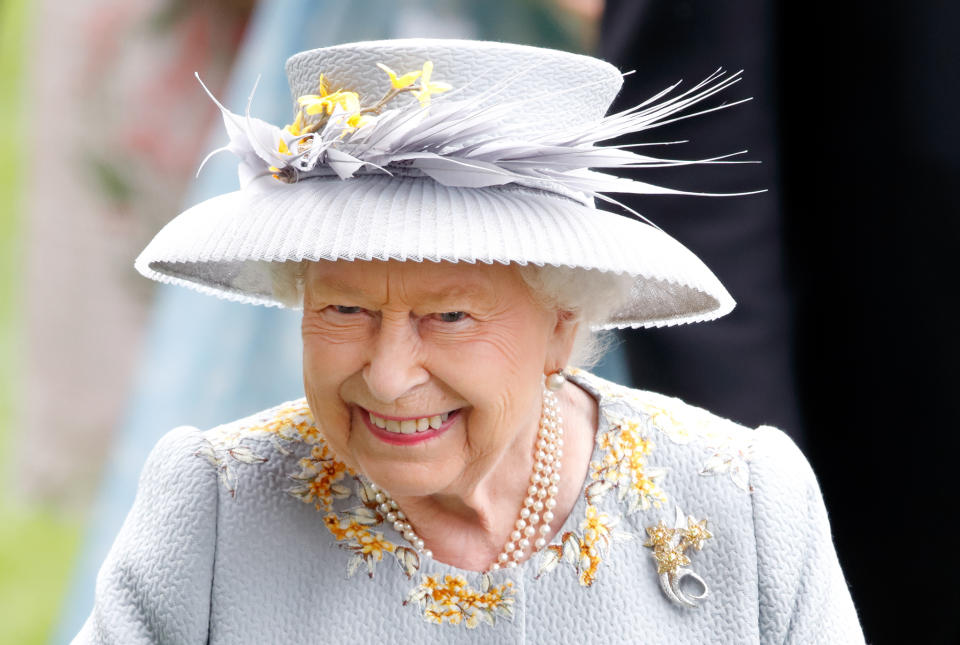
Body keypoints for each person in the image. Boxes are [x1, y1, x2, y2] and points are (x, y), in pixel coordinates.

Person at [74, 39, 862, 643]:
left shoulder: (747, 503)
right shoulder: (214, 506)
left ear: (562, 321)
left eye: (447, 317)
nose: (386, 377)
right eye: (345, 310)